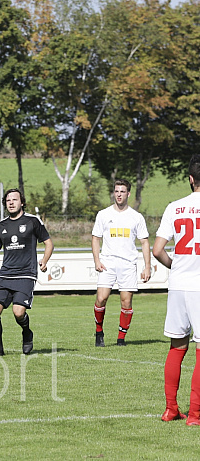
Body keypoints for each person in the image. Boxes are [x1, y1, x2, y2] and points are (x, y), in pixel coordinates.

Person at [0, 188, 53, 356]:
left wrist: (44, 260)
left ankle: (27, 333)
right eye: (8, 200)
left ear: (22, 202)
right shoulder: (1, 226)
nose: (11, 203)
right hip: (5, 275)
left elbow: (48, 243)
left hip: (26, 274)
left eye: (14, 199)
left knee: (18, 312)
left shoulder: (32, 221)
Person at [153, 154, 200, 425]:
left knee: (176, 348)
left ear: (190, 179)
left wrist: (176, 267)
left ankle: (171, 409)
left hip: (179, 285)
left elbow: (158, 250)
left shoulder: (175, 207)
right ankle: (195, 416)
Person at [91, 179, 151, 347]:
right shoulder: (103, 214)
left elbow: (144, 242)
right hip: (108, 262)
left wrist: (147, 266)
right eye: (116, 191)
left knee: (126, 302)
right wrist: (97, 260)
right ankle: (98, 332)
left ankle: (121, 338)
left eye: (122, 191)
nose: (119, 194)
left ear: (128, 194)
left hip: (128, 264)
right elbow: (96, 238)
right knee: (101, 298)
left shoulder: (136, 217)